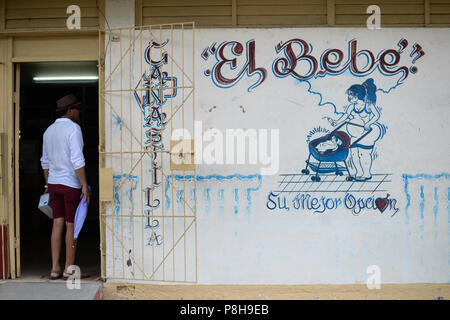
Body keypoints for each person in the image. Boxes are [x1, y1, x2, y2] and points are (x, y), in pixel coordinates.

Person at [40, 93, 90, 280]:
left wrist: (47, 183)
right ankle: (69, 269)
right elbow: (77, 160)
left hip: (53, 184)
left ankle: (54, 268)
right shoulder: (73, 129)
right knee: (72, 226)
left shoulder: (48, 131)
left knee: (57, 223)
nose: (79, 112)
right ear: (69, 111)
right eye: (77, 109)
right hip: (70, 185)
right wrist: (84, 184)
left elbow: (44, 162)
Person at [326, 78, 383, 181]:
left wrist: (368, 123)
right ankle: (358, 173)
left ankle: (366, 174)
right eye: (349, 95)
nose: (349, 97)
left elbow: (377, 116)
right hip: (355, 135)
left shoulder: (368, 105)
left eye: (351, 95)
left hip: (366, 135)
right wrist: (336, 122)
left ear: (358, 95)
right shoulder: (351, 107)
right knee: (353, 154)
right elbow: (345, 116)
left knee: (364, 154)